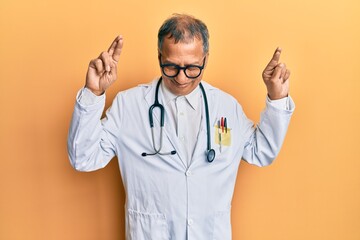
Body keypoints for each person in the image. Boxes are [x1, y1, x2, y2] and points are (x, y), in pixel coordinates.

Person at [68, 13, 294, 240]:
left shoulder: (226, 107)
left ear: (205, 58)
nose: (182, 78)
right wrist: (93, 93)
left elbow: (262, 152)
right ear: (159, 57)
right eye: (171, 66)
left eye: (192, 68)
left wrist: (277, 99)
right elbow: (83, 158)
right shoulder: (129, 105)